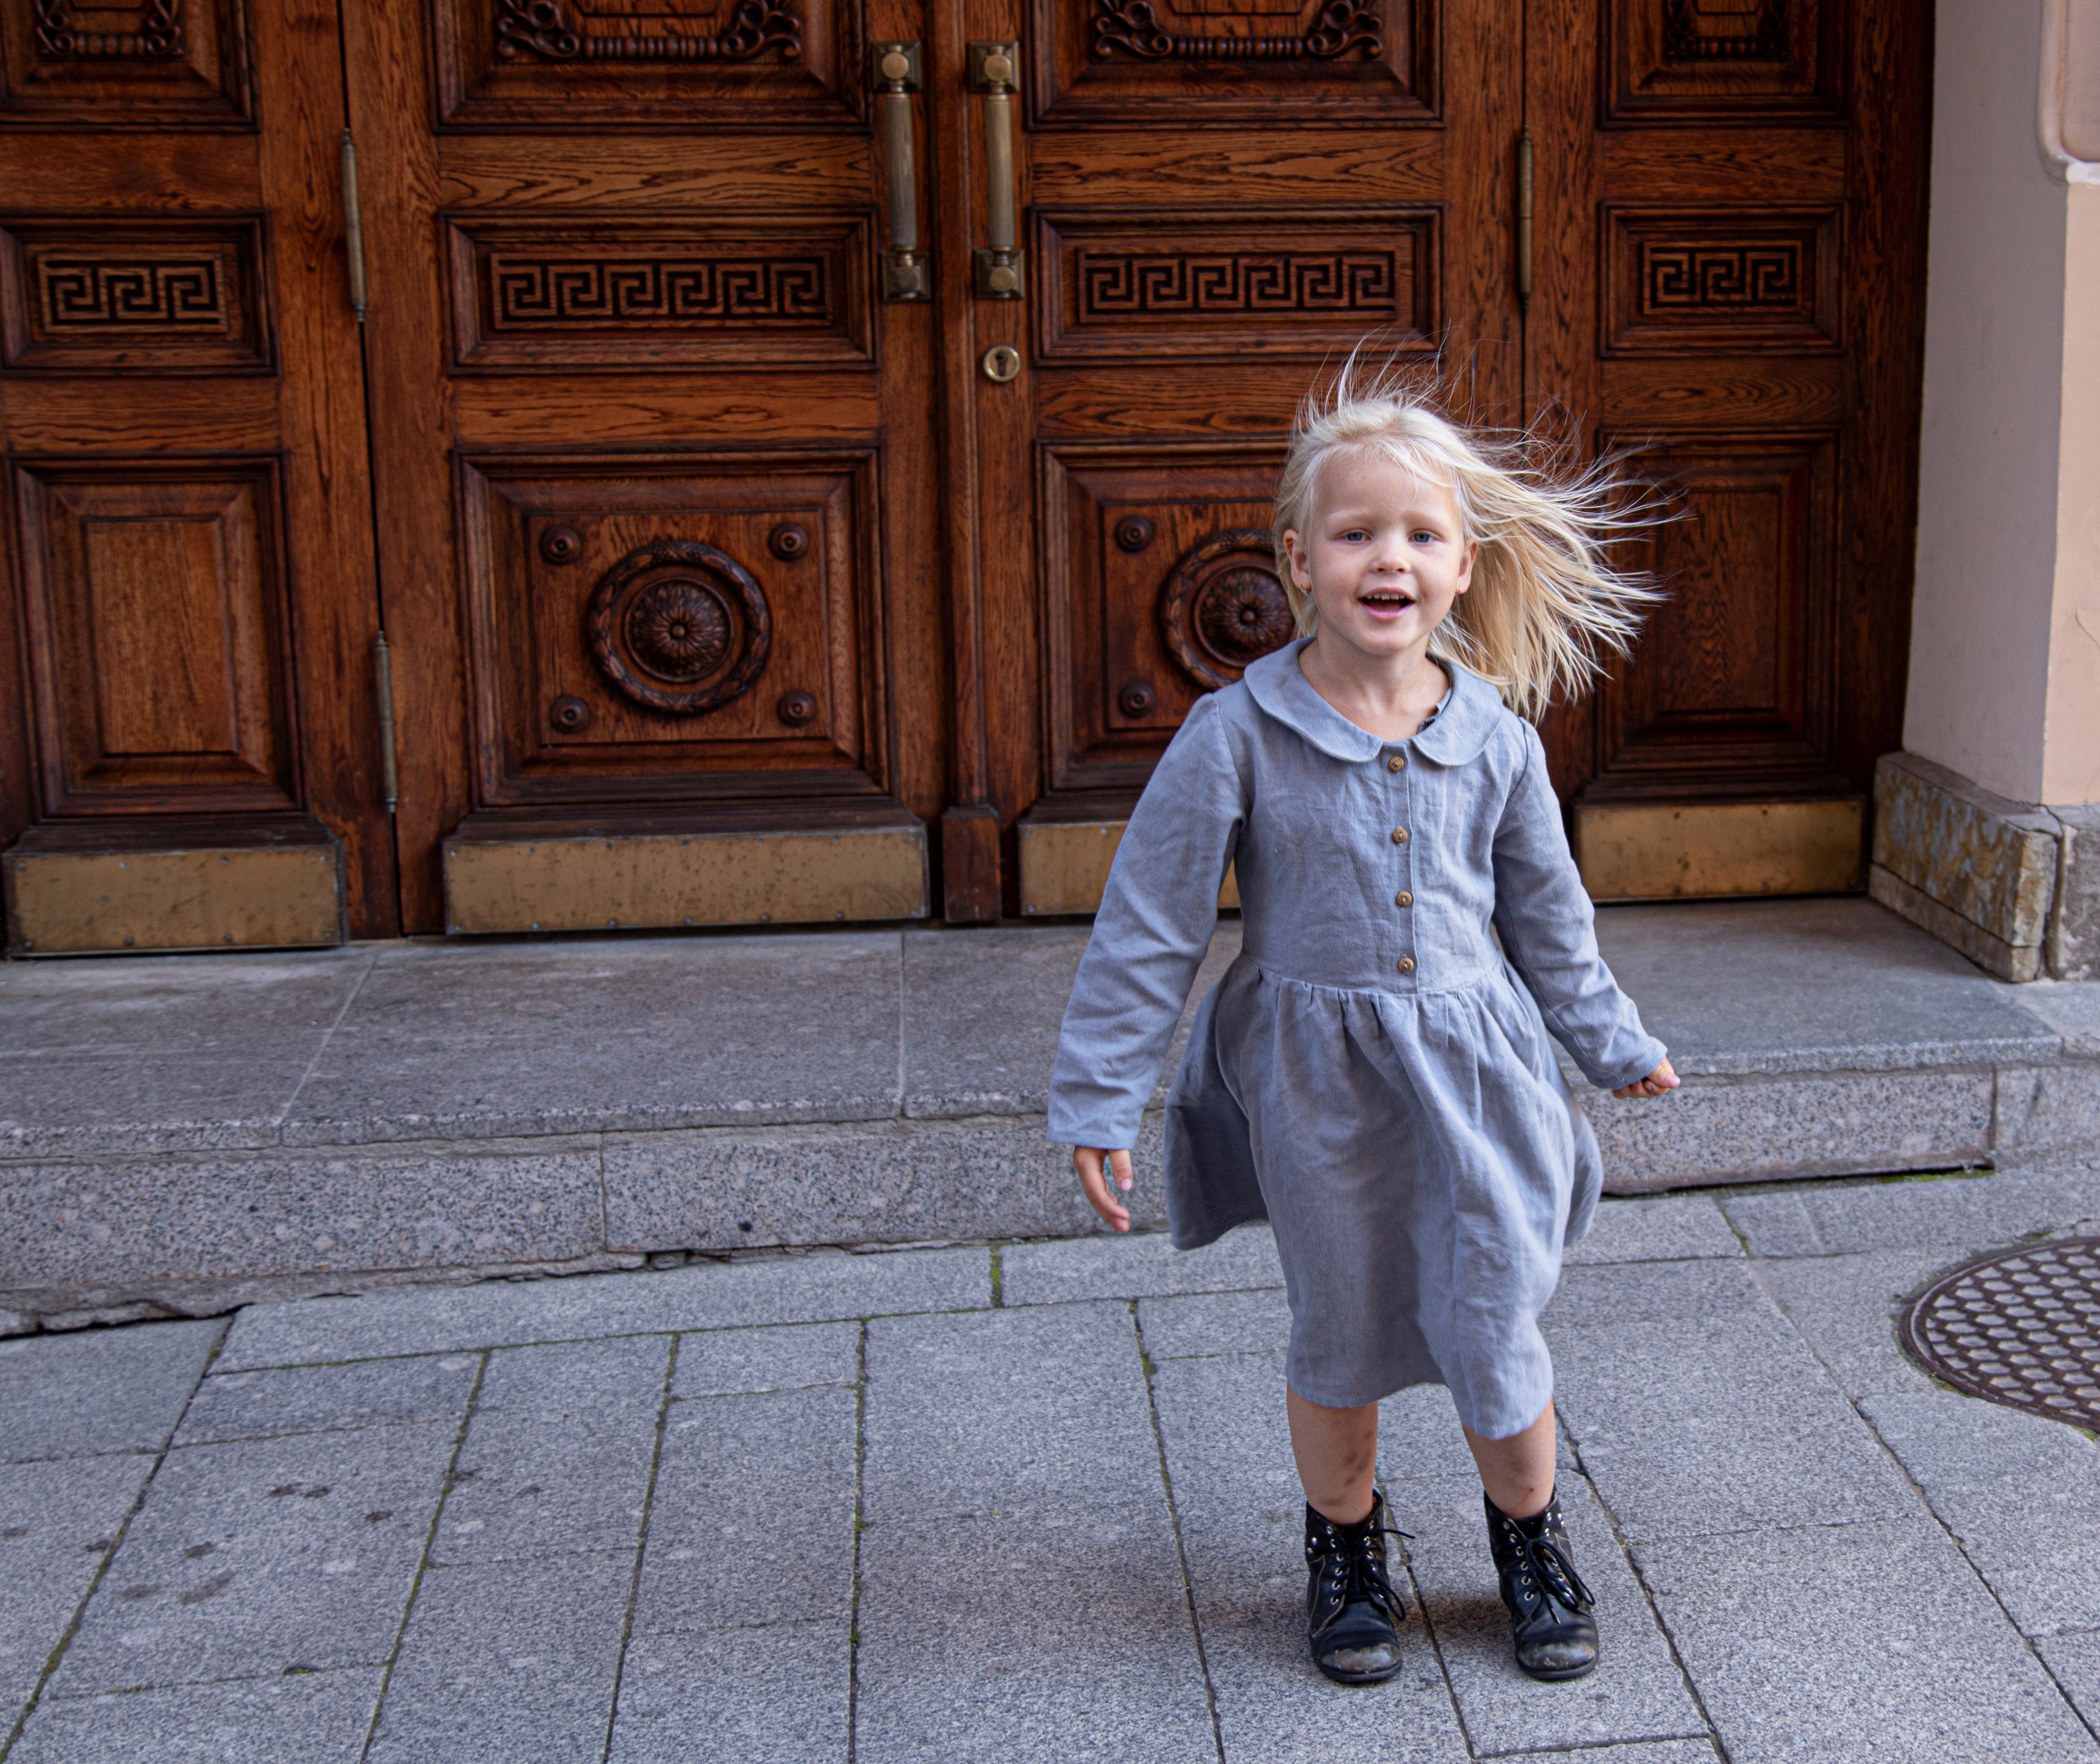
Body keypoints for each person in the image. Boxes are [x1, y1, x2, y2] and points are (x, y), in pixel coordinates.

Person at [1047, 356, 1681, 1689]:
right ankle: (1345, 1551)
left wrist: (1613, 1039)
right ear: (1298, 558)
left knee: (1494, 1315)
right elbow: (1150, 924)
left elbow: (1551, 922)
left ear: (1459, 565)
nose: (1386, 557)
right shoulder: (1236, 734)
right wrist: (1102, 1096)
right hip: (1318, 1085)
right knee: (1339, 1324)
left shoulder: (1499, 738)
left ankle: (1530, 1538)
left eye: (1420, 534)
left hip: (1479, 1076)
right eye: (1355, 533)